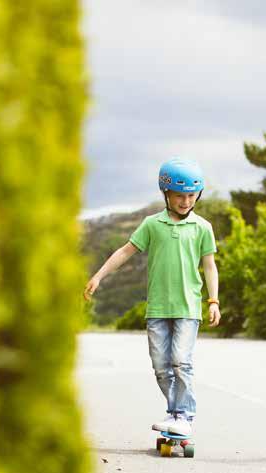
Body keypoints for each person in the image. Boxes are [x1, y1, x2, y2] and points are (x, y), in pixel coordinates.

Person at [83, 157, 220, 437]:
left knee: (181, 360)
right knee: (161, 366)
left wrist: (214, 300)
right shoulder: (151, 224)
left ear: (198, 195)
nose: (185, 201)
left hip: (187, 307)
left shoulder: (202, 227)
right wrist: (98, 276)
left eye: (191, 196)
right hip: (157, 308)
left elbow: (209, 265)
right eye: (179, 196)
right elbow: (124, 252)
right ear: (165, 193)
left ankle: (184, 415)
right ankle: (175, 412)